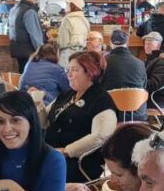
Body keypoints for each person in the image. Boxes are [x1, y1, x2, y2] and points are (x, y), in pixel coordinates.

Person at [45, 50, 117, 181]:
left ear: (90, 73)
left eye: (74, 70)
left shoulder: (101, 100)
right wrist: (37, 103)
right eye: (68, 70)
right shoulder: (68, 95)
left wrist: (67, 151)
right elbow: (45, 117)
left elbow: (100, 137)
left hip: (79, 162)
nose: (69, 74)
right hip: (52, 153)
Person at [100, 28, 148, 119]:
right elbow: (144, 86)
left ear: (110, 43)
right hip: (138, 114)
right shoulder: (140, 63)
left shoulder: (104, 62)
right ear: (127, 43)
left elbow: (98, 87)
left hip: (112, 114)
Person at [8, 0, 44, 73]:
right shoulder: (29, 11)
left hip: (18, 51)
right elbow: (35, 34)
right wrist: (41, 52)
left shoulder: (13, 9)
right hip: (30, 52)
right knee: (32, 77)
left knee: (23, 75)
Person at [142, 33, 164, 111]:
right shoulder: (148, 61)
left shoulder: (163, 63)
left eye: (149, 44)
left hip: (156, 99)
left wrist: (136, 83)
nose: (146, 46)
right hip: (146, 97)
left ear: (158, 45)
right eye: (145, 43)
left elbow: (154, 84)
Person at [57, 0, 91, 67]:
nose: (66, 6)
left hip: (67, 54)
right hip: (81, 53)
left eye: (68, 4)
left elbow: (63, 42)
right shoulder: (85, 20)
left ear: (72, 6)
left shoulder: (67, 20)